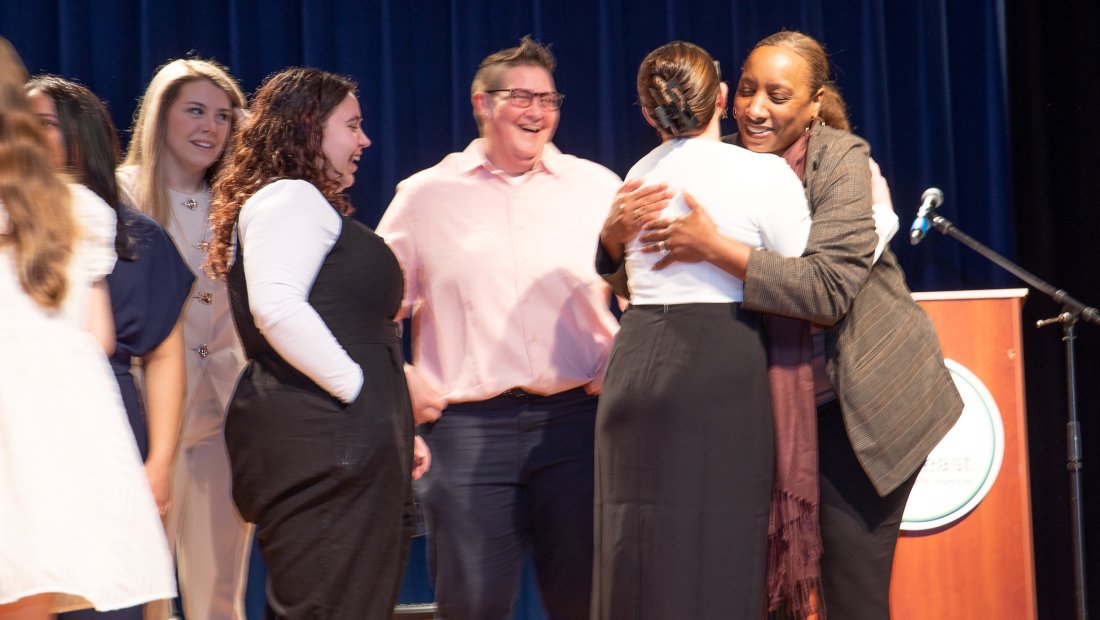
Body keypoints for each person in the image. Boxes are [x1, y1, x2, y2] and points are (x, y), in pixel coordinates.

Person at [606, 31, 964, 619]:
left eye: (777, 95)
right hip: (764, 407)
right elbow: (659, 281)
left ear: (814, 103)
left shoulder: (845, 162)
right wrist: (613, 241)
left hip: (861, 409)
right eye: (747, 90)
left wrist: (714, 246)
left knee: (851, 586)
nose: (755, 108)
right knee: (765, 588)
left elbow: (825, 291)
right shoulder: (720, 166)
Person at [376, 35, 621, 620]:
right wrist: (401, 375)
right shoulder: (425, 196)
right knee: (473, 605)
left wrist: (628, 354)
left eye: (549, 99)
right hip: (466, 434)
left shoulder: (599, 188)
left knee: (589, 601)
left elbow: (654, 293)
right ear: (481, 104)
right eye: (520, 97)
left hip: (578, 427)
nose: (537, 112)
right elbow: (373, 310)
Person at [591, 41, 812, 620]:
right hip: (716, 359)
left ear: (647, 114)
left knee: (634, 548)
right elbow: (803, 275)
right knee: (719, 546)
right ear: (719, 98)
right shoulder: (761, 171)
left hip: (633, 359)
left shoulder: (635, 177)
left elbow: (626, 286)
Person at [206, 67, 425, 619]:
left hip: (342, 442)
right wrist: (358, 391)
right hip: (330, 441)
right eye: (351, 125)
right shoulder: (291, 197)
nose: (364, 140)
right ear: (308, 127)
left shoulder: (296, 203)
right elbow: (276, 306)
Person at [0, 38, 175, 619]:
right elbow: (96, 337)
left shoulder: (106, 221)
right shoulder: (81, 213)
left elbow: (153, 348)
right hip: (67, 433)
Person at [118, 58, 252, 620]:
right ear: (159, 117)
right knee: (139, 585)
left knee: (220, 588)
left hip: (222, 419)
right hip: (142, 420)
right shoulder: (118, 194)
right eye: (195, 110)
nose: (211, 127)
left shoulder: (242, 203)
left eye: (223, 116)